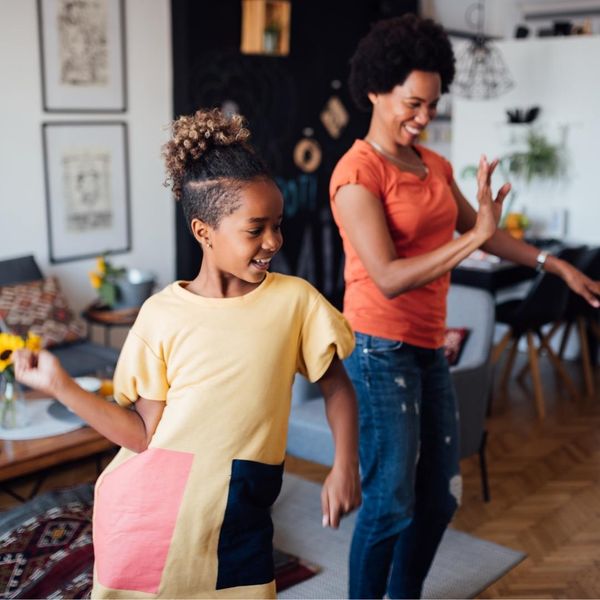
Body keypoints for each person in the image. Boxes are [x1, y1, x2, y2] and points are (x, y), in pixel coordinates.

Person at [14, 108, 361, 599]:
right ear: (203, 232)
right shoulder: (160, 316)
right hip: (150, 516)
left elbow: (337, 389)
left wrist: (344, 465)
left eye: (278, 225)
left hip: (242, 512)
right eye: (255, 229)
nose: (273, 242)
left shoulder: (295, 301)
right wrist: (59, 386)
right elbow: (140, 435)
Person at [329, 14, 600, 599]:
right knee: (390, 504)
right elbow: (389, 277)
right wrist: (474, 238)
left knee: (440, 498)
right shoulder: (357, 173)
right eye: (414, 103)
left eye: (432, 105)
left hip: (428, 345)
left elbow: (484, 230)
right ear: (376, 89)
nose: (425, 117)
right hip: (379, 349)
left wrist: (556, 266)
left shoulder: (433, 166)